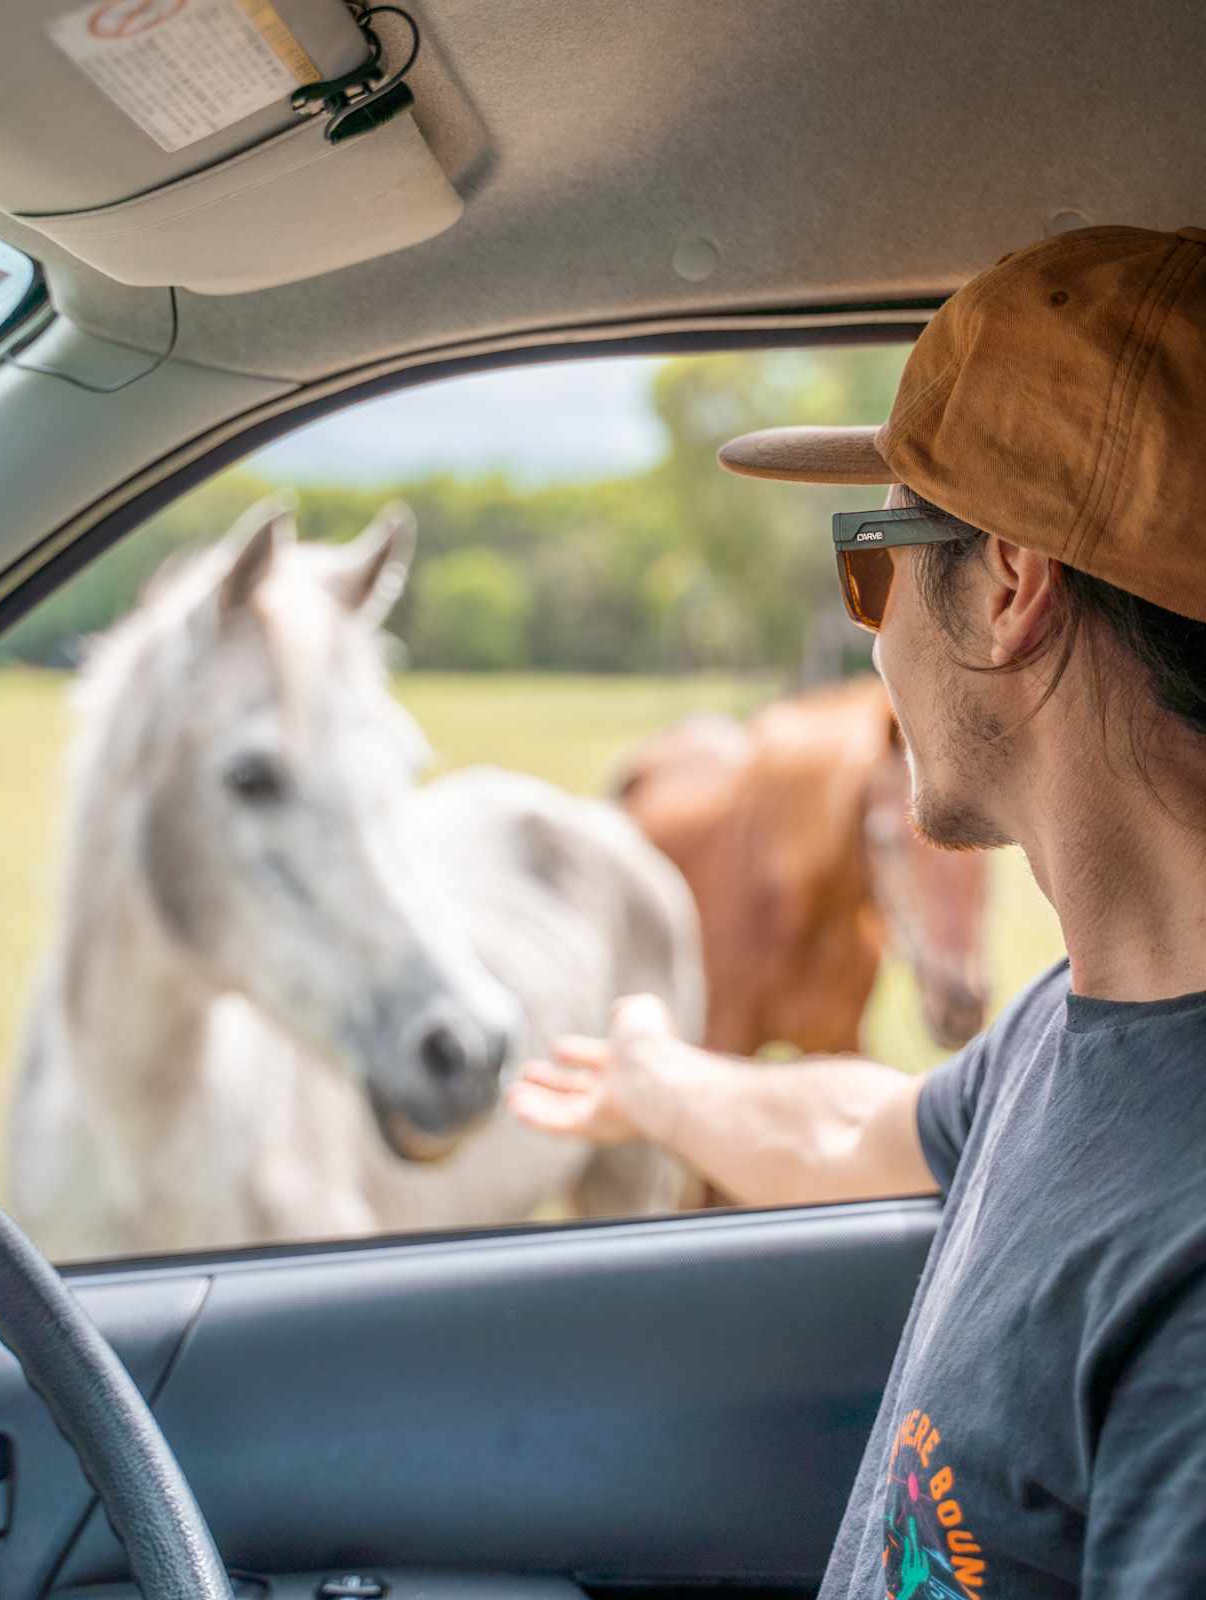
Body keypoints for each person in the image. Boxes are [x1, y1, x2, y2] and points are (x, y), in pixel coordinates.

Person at [507, 223, 1206, 1596]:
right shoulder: (1080, 1029)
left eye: (874, 561)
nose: (873, 634)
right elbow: (854, 1128)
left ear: (1009, 585)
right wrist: (655, 1078)